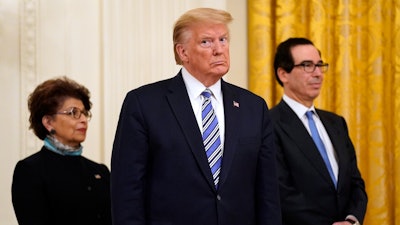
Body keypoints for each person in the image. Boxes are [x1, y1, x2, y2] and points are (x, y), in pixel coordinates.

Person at [111, 7, 281, 225]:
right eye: (206, 42)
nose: (219, 49)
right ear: (183, 52)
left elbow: (268, 192)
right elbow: (127, 191)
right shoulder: (144, 103)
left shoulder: (253, 107)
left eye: (223, 39)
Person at [269, 37, 368, 225]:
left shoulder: (336, 123)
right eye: (307, 65)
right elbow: (281, 192)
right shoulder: (269, 124)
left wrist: (351, 219)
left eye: (320, 65)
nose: (318, 74)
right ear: (283, 74)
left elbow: (355, 182)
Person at [12, 76, 111, 225]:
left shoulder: (100, 172)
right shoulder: (30, 170)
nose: (83, 119)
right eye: (73, 113)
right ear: (48, 122)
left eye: (84, 113)